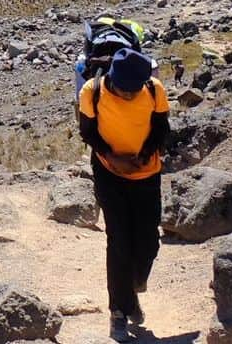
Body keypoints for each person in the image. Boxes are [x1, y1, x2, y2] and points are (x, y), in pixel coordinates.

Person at [78, 47, 170, 342]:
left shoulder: (154, 91)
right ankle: (118, 312)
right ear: (112, 79)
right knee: (118, 240)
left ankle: (132, 289)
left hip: (146, 172)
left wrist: (145, 154)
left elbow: (161, 128)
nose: (130, 96)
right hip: (109, 172)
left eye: (135, 91)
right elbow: (88, 132)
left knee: (148, 241)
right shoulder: (92, 92)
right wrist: (111, 157)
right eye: (124, 91)